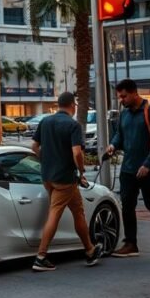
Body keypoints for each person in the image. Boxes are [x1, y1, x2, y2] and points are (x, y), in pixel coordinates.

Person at [29, 92, 104, 271]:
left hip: (48, 176)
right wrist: (81, 169)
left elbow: (34, 146)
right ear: (73, 105)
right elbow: (77, 152)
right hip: (65, 178)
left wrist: (45, 161)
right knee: (54, 214)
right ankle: (41, 256)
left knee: (78, 211)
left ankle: (90, 250)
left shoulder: (45, 122)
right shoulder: (73, 125)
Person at [107, 79, 150, 257]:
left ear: (134, 93)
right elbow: (119, 135)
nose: (121, 100)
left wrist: (148, 163)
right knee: (127, 205)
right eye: (119, 97)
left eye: (124, 96)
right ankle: (131, 243)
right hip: (128, 168)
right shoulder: (124, 114)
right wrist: (113, 146)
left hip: (149, 169)